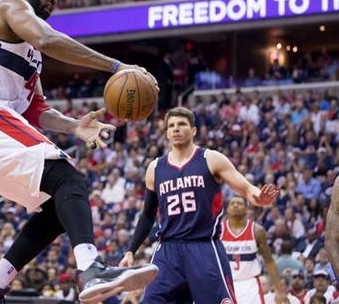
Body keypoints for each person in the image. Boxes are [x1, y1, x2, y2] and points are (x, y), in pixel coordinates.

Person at [0, 0, 159, 304]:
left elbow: (36, 108)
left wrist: (74, 126)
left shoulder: (30, 53)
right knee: (69, 178)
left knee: (56, 203)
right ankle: (91, 270)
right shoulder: (9, 7)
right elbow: (48, 39)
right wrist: (115, 67)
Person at [119, 107, 278, 303]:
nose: (176, 129)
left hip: (203, 246)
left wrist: (257, 196)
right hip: (168, 250)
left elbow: (246, 188)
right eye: (171, 126)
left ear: (193, 131)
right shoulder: (155, 168)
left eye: (181, 124)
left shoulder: (210, 158)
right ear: (167, 133)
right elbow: (147, 215)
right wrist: (130, 250)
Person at [221, 195, 288, 304]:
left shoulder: (257, 231)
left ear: (247, 209)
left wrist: (279, 291)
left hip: (250, 284)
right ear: (227, 209)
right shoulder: (219, 231)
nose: (236, 205)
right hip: (227, 283)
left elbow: (269, 261)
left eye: (240, 203)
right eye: (232, 203)